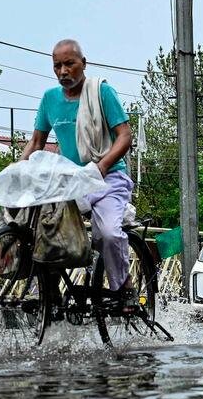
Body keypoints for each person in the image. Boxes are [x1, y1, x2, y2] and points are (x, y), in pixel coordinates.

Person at [21, 39, 137, 309]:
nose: (63, 71)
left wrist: (102, 166)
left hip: (108, 178)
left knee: (107, 233)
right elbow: (37, 143)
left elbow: (125, 136)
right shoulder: (50, 99)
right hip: (71, 183)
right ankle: (47, 290)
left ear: (83, 64)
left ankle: (124, 286)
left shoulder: (101, 93)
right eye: (57, 66)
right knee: (39, 227)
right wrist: (19, 170)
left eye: (69, 64)